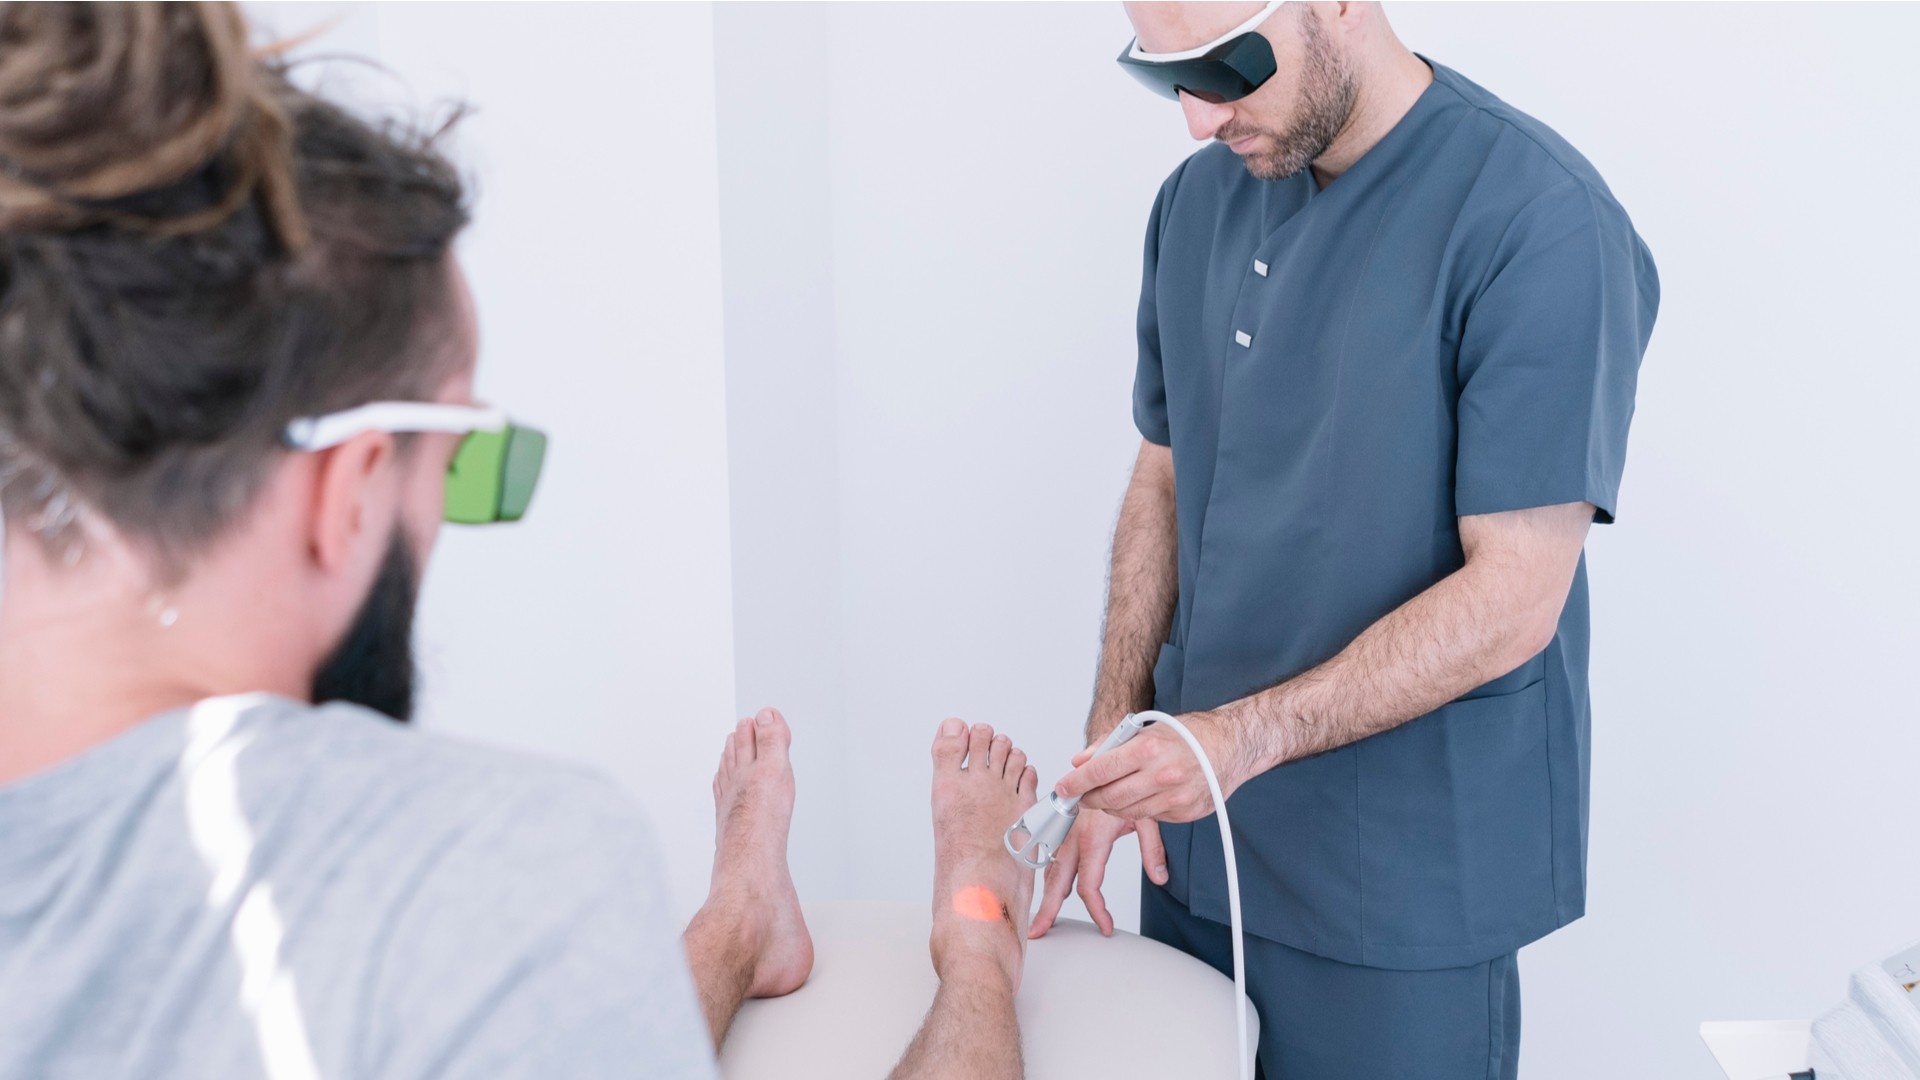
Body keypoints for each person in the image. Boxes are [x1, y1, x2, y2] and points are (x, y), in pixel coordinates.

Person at [0, 5, 1038, 1078]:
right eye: (465, 463)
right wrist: (979, 949)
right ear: (348, 491)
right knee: (966, 953)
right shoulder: (491, 877)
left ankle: (741, 918)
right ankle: (977, 940)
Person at [1029, 3, 1659, 1077]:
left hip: (1399, 889)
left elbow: (1515, 597)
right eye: (1164, 77)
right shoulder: (1197, 203)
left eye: (1226, 66)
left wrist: (1238, 743)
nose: (1197, 119)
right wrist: (1109, 751)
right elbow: (1164, 473)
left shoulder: (1540, 223)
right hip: (1192, 848)